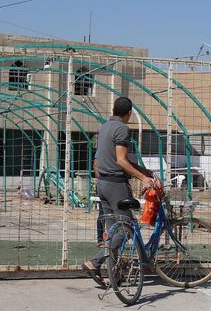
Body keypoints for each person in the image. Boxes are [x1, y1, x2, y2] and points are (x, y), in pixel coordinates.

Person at [82, 97, 154, 288]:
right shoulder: (122, 129)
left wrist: (143, 170)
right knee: (126, 229)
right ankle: (94, 263)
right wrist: (143, 179)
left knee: (113, 231)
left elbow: (105, 159)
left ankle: (113, 274)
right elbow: (121, 161)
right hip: (115, 186)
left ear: (114, 109)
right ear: (129, 113)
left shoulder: (105, 126)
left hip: (103, 184)